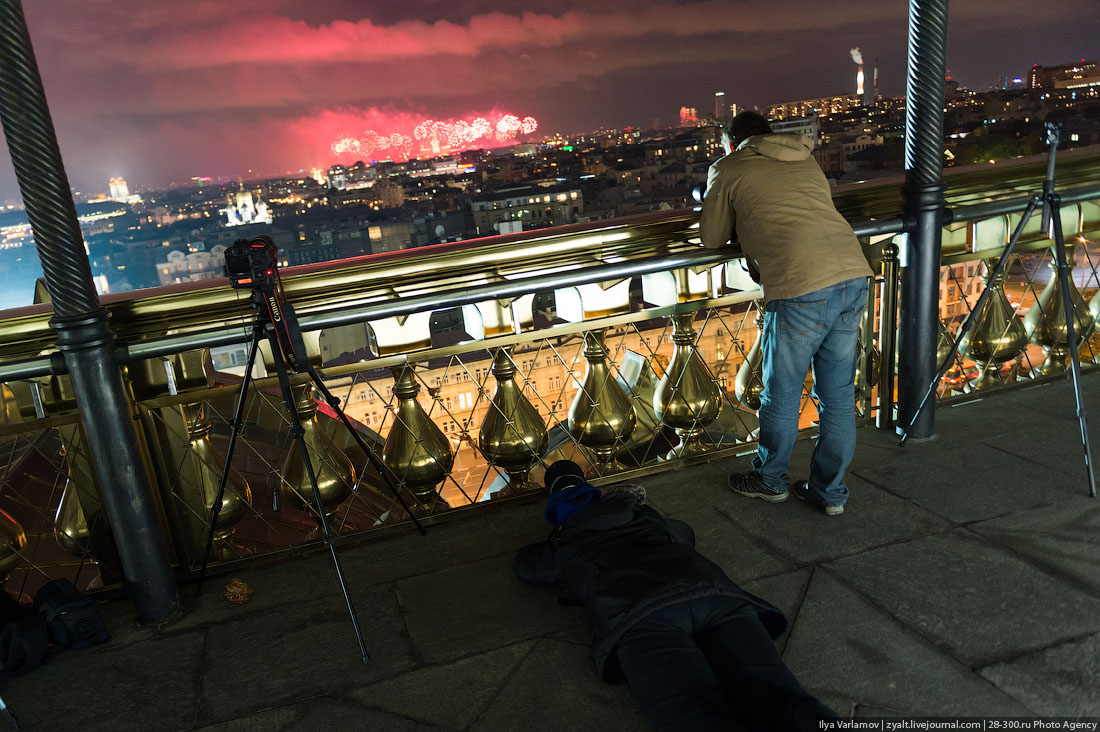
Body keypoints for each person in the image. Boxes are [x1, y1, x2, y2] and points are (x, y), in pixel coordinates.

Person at [514, 460, 838, 732]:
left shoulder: (565, 543)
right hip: (714, 596)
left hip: (640, 615)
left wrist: (558, 536)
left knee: (699, 714)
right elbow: (684, 534)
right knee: (780, 694)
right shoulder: (642, 515)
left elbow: (527, 567)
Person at [700, 111, 873, 516]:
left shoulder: (728, 167)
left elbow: (711, 238)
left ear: (731, 142)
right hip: (853, 274)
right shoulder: (804, 157)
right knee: (838, 395)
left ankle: (770, 478)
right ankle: (829, 492)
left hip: (801, 284)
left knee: (782, 392)